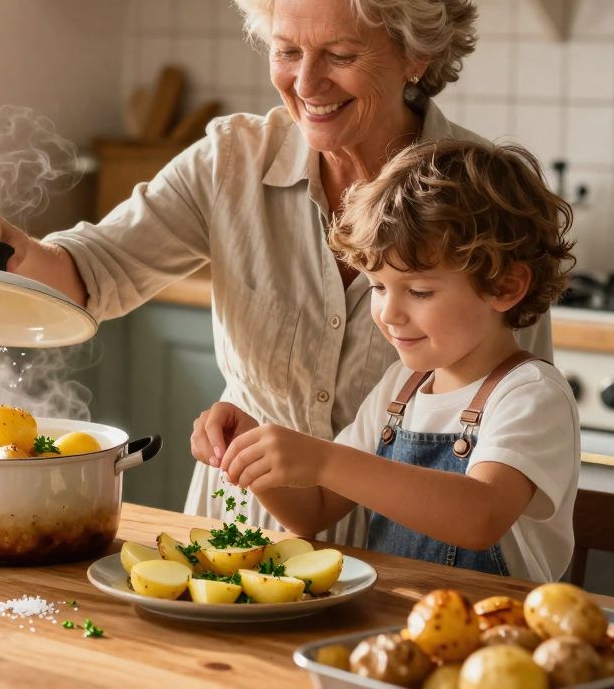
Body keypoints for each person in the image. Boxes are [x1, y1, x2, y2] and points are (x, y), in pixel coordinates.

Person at [0, 0, 552, 538]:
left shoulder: (481, 199)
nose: (307, 82)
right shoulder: (232, 162)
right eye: (286, 50)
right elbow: (91, 273)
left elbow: (504, 403)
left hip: (413, 558)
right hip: (246, 530)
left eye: (339, 53)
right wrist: (12, 251)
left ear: (415, 53)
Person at [203, 139, 578, 581]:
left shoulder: (529, 393)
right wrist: (258, 454)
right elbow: (314, 512)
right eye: (378, 287)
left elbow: (481, 516)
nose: (388, 313)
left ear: (505, 286)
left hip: (495, 636)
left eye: (419, 291)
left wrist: (323, 460)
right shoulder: (401, 388)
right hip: (396, 627)